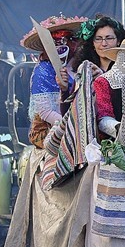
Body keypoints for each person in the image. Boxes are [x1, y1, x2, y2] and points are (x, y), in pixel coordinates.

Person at [20, 15, 87, 148]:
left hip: (80, 124)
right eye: (55, 42)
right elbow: (46, 112)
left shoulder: (79, 64)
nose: (61, 45)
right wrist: (71, 127)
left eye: (65, 40)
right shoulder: (43, 71)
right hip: (49, 128)